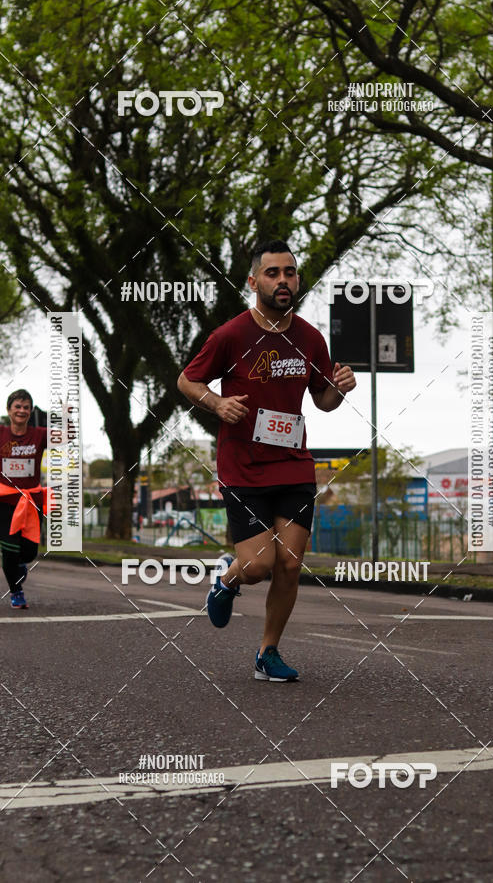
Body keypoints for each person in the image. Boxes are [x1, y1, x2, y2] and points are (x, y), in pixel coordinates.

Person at [178, 239, 356, 680]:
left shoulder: (310, 339)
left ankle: (267, 653)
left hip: (293, 464)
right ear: (254, 280)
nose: (283, 281)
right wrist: (216, 404)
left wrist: (341, 387)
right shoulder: (231, 335)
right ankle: (226, 582)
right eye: (273, 273)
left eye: (290, 273)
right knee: (259, 566)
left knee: (291, 564)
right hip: (243, 467)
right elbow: (187, 380)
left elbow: (324, 401)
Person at [0, 389, 48, 609]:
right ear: (9, 410)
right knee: (9, 549)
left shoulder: (40, 435)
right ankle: (16, 592)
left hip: (30, 501)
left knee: (28, 552)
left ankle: (20, 566)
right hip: (3, 501)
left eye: (26, 407)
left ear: (30, 411)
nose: (22, 411)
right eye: (17, 406)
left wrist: (68, 419)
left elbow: (67, 437)